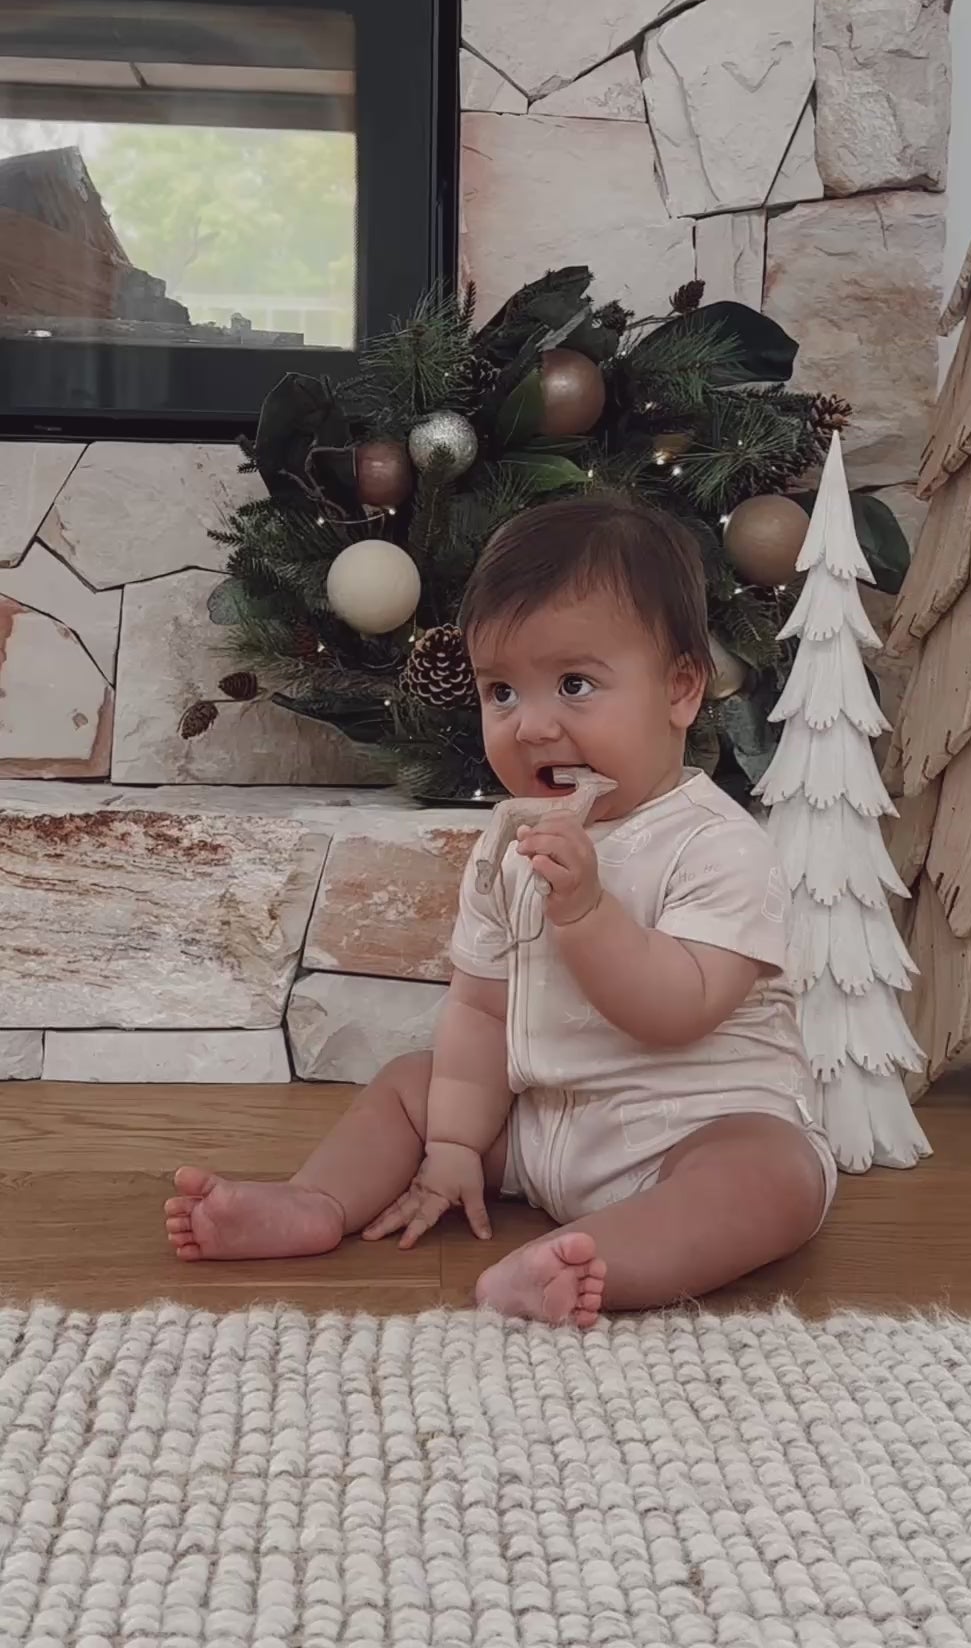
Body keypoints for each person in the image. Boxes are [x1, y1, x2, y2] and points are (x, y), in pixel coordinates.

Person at [165, 494, 835, 1326]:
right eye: (502, 691)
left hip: (693, 1127)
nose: (532, 725)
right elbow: (482, 1009)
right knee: (412, 1084)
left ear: (681, 689)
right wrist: (453, 1144)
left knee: (774, 1178)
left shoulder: (718, 844)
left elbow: (681, 1009)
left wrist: (587, 913)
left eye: (576, 685)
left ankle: (598, 1260)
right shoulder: (511, 846)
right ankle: (314, 1202)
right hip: (546, 1128)